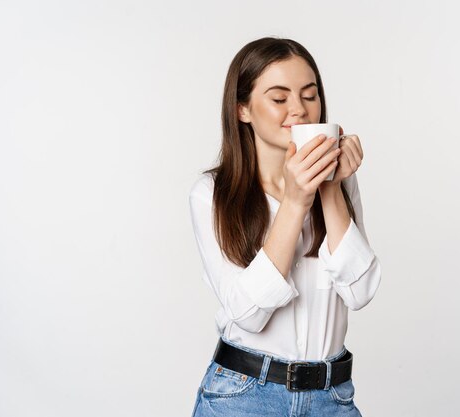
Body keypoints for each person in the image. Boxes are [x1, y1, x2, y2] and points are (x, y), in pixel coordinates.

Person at [188, 37, 382, 417]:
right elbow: (247, 314)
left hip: (332, 397)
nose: (300, 110)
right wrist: (294, 203)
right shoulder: (212, 194)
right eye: (279, 99)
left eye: (310, 96)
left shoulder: (341, 183)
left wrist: (328, 186)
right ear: (243, 109)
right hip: (242, 397)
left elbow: (360, 291)